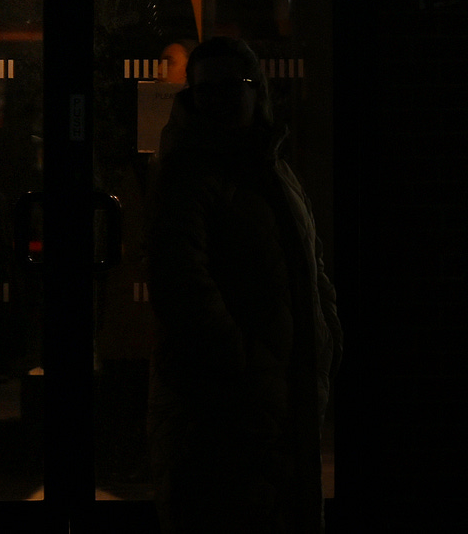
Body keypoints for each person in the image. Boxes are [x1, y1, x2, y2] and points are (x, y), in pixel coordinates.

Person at [144, 37, 342, 533]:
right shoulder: (188, 177)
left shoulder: (273, 169)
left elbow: (309, 262)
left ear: (259, 92)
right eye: (209, 89)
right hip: (222, 411)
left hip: (279, 395)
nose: (225, 98)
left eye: (236, 85)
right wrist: (243, 366)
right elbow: (184, 288)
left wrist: (327, 335)